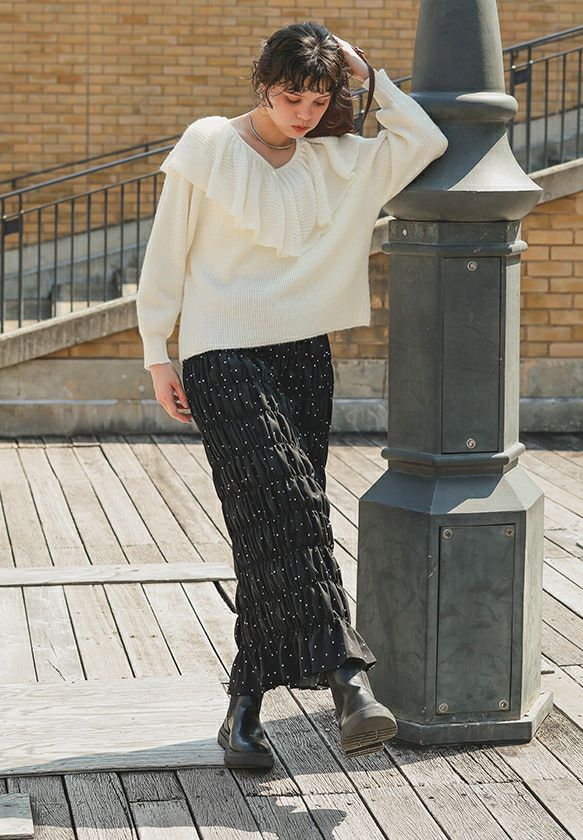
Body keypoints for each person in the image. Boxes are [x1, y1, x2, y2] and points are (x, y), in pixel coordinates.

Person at [136, 21, 448, 769]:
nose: (304, 113)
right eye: (289, 97)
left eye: (317, 98)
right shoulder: (210, 144)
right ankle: (347, 676)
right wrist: (156, 354)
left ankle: (242, 711)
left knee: (269, 529)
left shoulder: (339, 159)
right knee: (293, 506)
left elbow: (425, 139)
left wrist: (364, 70)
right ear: (261, 86)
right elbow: (165, 254)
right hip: (220, 353)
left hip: (304, 355)